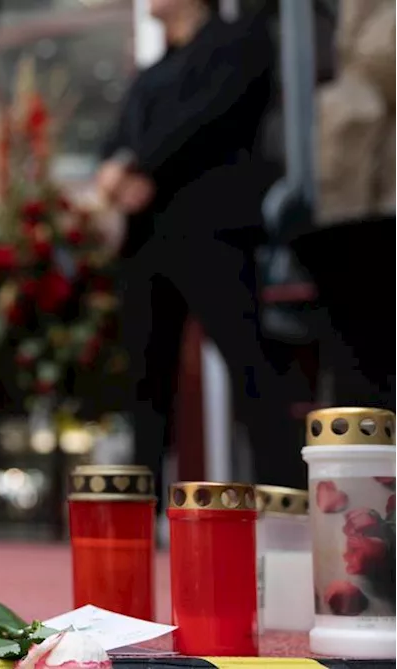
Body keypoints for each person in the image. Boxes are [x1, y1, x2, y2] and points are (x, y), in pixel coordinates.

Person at [97, 0, 304, 504]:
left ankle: (285, 505)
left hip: (215, 232)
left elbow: (209, 116)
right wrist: (116, 172)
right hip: (148, 243)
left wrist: (141, 167)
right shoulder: (151, 72)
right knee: (146, 389)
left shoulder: (239, 41)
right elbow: (116, 140)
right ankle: (139, 520)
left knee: (251, 368)